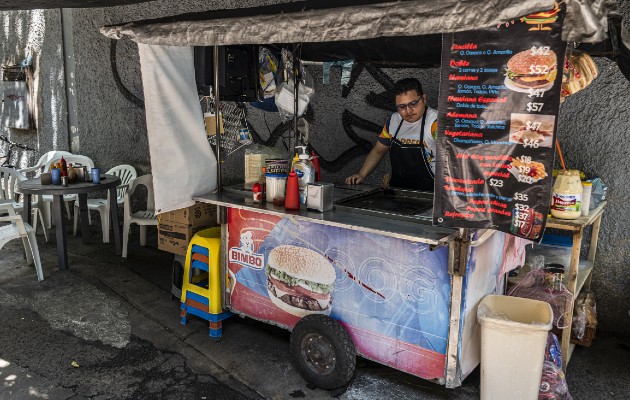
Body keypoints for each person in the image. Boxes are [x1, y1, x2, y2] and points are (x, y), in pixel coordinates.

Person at [345, 78, 438, 191]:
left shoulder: (435, 123)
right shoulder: (394, 121)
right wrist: (361, 174)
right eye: (402, 107)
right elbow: (378, 150)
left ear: (423, 99)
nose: (408, 111)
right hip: (397, 192)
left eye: (413, 104)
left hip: (430, 195)